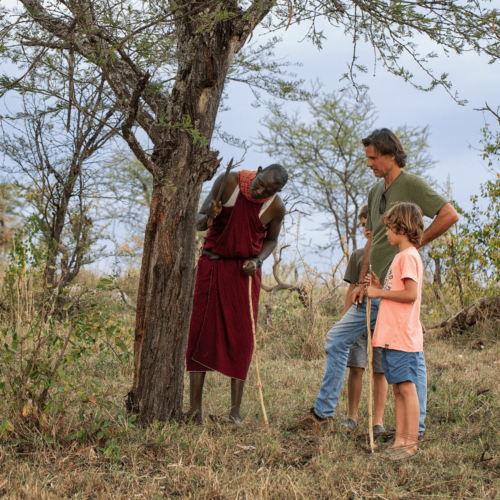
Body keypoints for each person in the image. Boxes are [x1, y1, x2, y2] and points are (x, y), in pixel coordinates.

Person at [293, 128, 459, 431]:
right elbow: (372, 240)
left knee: (411, 359)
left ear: (390, 155)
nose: (368, 164)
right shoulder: (375, 191)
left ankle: (414, 430)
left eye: (372, 158)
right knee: (336, 339)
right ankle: (322, 415)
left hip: (396, 292)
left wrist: (414, 244)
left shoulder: (413, 185)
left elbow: (449, 215)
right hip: (372, 291)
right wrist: (361, 281)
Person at [184, 164, 288, 425]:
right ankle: (194, 410)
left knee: (241, 338)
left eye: (268, 190)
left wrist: (259, 260)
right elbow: (197, 224)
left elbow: (271, 240)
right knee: (200, 331)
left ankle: (235, 414)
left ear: (277, 192)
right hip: (212, 265)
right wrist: (209, 215)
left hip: (244, 274)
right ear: (259, 171)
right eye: (261, 183)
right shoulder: (228, 182)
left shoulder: (275, 207)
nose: (260, 190)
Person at [366, 202, 425, 460]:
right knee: (398, 389)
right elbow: (397, 292)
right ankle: (400, 441)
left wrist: (378, 292)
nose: (386, 233)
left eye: (389, 228)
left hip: (403, 337)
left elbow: (411, 294)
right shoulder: (400, 258)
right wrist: (381, 286)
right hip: (391, 338)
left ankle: (410, 444)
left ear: (401, 228)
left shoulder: (409, 256)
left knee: (407, 389)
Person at [341, 205, 388, 434]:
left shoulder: (391, 254)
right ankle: (352, 416)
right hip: (358, 316)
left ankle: (378, 421)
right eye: (362, 226)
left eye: (369, 224)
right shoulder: (358, 255)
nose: (366, 230)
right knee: (356, 367)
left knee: (380, 369)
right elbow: (351, 288)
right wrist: (345, 320)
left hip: (383, 317)